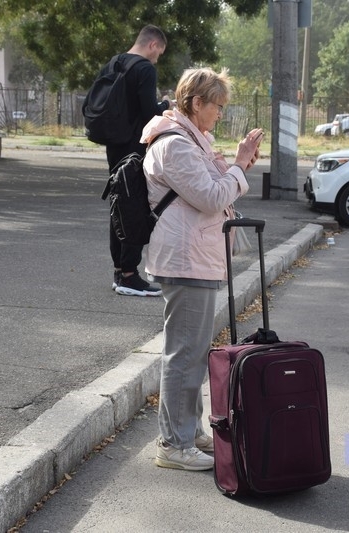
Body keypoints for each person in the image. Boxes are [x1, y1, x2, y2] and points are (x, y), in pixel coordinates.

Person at [141, 67, 263, 470]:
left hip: (195, 256)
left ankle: (187, 431)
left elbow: (215, 189)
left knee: (192, 353)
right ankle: (173, 444)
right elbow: (212, 197)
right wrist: (240, 166)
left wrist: (233, 165)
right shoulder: (175, 146)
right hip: (185, 259)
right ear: (197, 103)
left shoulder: (192, 141)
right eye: (218, 106)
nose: (221, 115)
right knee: (184, 354)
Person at [101, 25, 172, 297]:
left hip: (114, 146)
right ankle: (129, 275)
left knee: (118, 205)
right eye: (160, 53)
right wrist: (165, 105)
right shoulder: (144, 69)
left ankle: (120, 271)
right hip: (135, 149)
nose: (157, 59)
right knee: (134, 207)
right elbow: (148, 116)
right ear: (153, 44)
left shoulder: (113, 63)